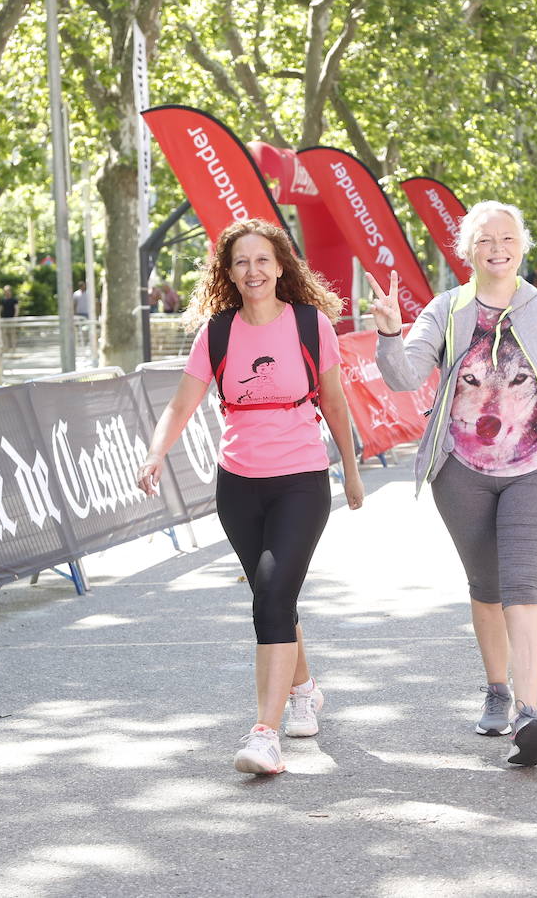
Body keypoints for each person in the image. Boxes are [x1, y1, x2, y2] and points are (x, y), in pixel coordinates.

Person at [371, 200, 537, 768]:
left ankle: (529, 712)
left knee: (526, 589)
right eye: (485, 239)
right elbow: (404, 377)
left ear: (521, 246)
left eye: (507, 237)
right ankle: (497, 688)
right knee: (487, 589)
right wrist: (391, 334)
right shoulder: (445, 311)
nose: (497, 247)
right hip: (461, 474)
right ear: (467, 251)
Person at [136, 218, 363, 776]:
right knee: (274, 597)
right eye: (241, 262)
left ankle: (265, 733)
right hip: (237, 485)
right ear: (229, 273)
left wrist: (352, 473)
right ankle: (305, 687)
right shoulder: (217, 333)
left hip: (301, 481)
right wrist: (154, 453)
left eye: (262, 260)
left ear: (280, 265)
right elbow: (182, 405)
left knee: (269, 592)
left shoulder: (311, 325)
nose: (253, 270)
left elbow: (335, 404)